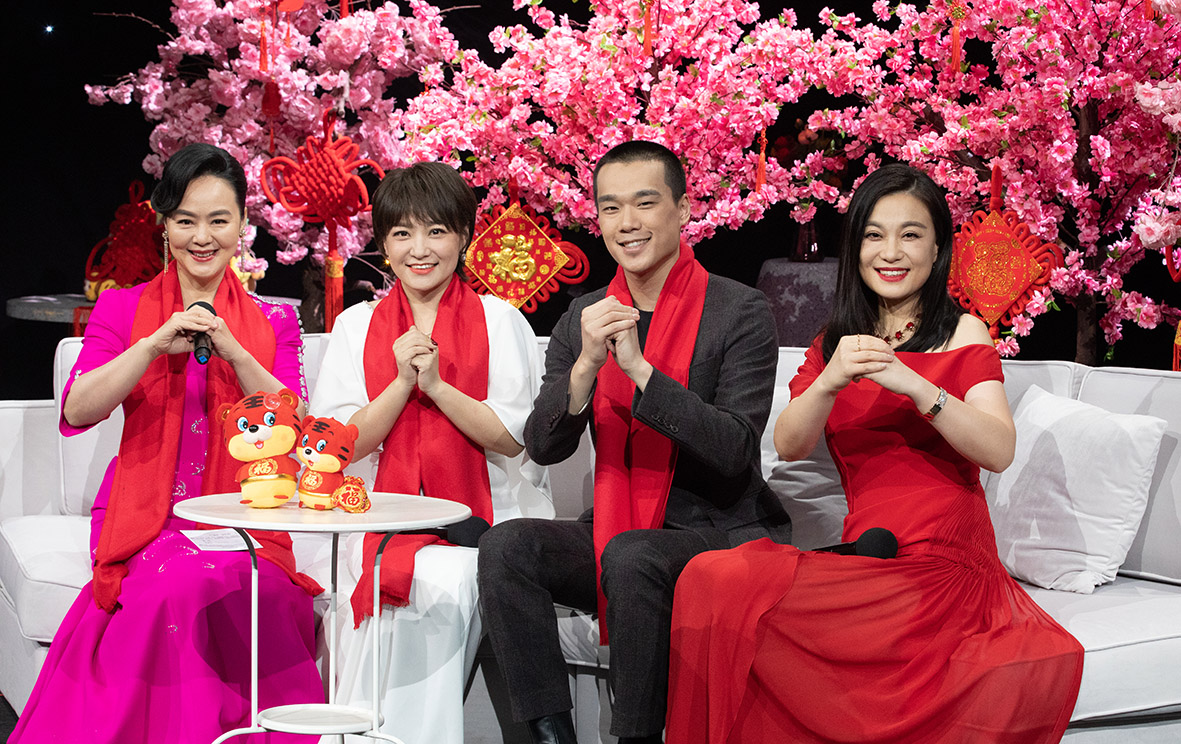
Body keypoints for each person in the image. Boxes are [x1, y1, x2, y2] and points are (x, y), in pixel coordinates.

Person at [664, 164, 1084, 744]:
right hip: (871, 555)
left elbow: (999, 449)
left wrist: (916, 385)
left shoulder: (964, 332)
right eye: (874, 235)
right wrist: (830, 379)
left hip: (947, 562)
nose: (891, 252)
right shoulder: (833, 346)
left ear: (937, 248)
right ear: (855, 248)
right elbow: (789, 445)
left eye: (911, 235)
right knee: (713, 576)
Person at [477, 140, 792, 744]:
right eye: (611, 207)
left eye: (645, 203)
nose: (627, 223)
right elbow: (542, 447)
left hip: (721, 529)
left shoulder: (740, 310)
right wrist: (584, 368)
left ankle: (635, 738)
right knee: (508, 545)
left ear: (682, 208)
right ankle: (551, 735)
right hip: (619, 528)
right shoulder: (585, 316)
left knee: (630, 555)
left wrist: (642, 372)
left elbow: (734, 451)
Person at [11, 143, 323, 743]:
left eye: (218, 220)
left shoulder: (275, 321)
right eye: (185, 220)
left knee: (250, 588)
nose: (202, 237)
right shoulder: (121, 308)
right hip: (147, 516)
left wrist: (235, 351)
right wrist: (152, 345)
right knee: (175, 587)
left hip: (247, 516)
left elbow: (302, 428)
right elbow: (77, 408)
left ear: (242, 224)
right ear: (164, 225)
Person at [308, 160, 550, 744]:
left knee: (443, 576)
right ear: (384, 244)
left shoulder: (500, 319)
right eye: (402, 233)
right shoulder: (356, 326)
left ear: (463, 236)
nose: (419, 250)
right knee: (399, 574)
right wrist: (400, 384)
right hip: (373, 517)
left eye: (436, 231)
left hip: (485, 518)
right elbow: (339, 447)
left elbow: (513, 437)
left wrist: (437, 386)